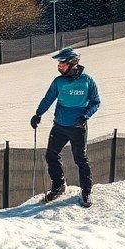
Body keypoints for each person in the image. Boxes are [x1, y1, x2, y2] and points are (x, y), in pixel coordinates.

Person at [30, 48, 101, 207]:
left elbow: (96, 102)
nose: (59, 67)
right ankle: (59, 186)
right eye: (59, 64)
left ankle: (86, 192)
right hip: (60, 126)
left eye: (62, 64)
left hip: (78, 128)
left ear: (73, 63)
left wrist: (85, 116)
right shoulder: (58, 82)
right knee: (51, 155)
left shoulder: (87, 81)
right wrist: (38, 114)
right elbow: (48, 99)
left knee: (80, 159)